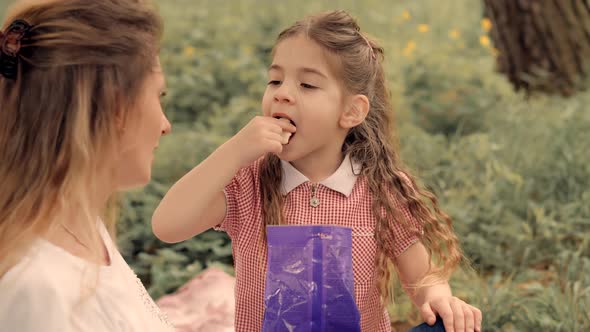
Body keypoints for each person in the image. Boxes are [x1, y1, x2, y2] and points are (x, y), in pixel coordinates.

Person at [152, 10, 482, 332]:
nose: (282, 92)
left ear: (352, 111)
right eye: (275, 80)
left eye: (307, 85)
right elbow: (167, 225)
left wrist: (439, 299)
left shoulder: (382, 188)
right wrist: (234, 151)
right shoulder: (249, 182)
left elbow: (422, 278)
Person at [0, 0, 173, 331]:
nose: (165, 125)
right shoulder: (35, 290)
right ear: (113, 106)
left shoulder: (79, 224)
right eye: (158, 97)